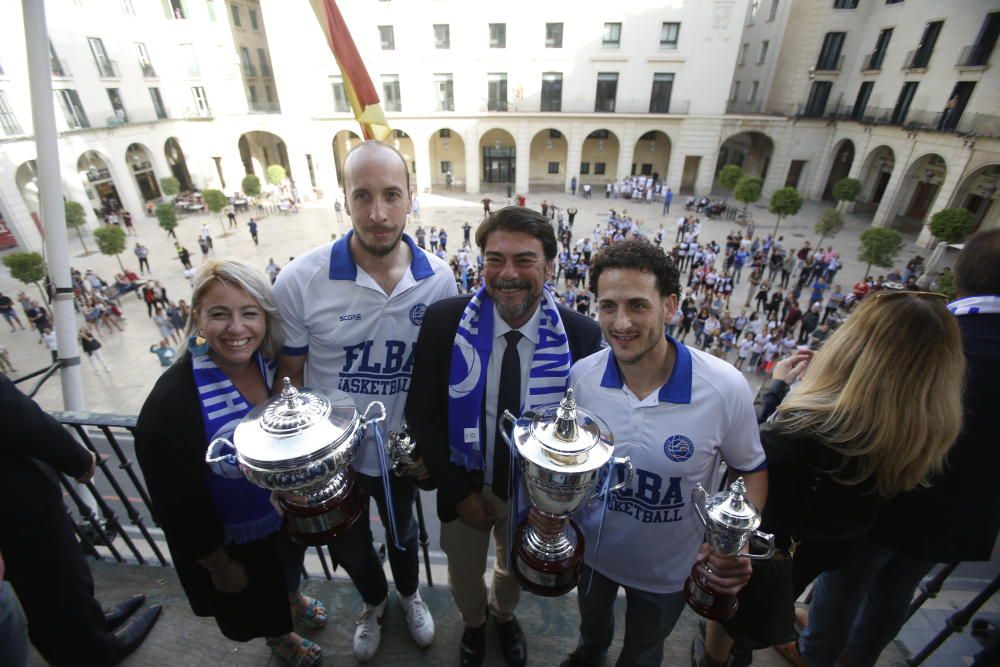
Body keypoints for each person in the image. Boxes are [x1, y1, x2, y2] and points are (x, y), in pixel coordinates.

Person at [699, 290, 966, 667]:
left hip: (770, 549)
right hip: (834, 546)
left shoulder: (807, 427)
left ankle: (714, 658)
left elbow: (746, 457)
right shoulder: (925, 430)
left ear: (855, 348)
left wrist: (774, 390)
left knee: (735, 608)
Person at [273, 140, 457, 661]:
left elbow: (442, 375)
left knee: (405, 532)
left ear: (410, 198)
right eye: (363, 196)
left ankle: (408, 593)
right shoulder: (300, 280)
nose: (378, 213)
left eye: (391, 195)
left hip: (400, 449)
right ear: (344, 200)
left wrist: (429, 443)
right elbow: (288, 379)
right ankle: (373, 603)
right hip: (334, 454)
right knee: (347, 542)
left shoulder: (438, 278)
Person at [792, 230, 1000, 667]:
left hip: (883, 497)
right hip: (957, 516)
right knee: (897, 590)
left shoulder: (925, 336)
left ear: (958, 275)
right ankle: (860, 657)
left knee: (843, 583)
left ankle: (816, 655)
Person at [406, 206, 603, 667]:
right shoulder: (444, 322)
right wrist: (457, 493)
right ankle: (474, 625)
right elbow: (421, 411)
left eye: (524, 260)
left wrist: (553, 500)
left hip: (533, 496)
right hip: (466, 482)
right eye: (495, 259)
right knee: (461, 577)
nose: (507, 274)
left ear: (550, 266)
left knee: (511, 570)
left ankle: (503, 615)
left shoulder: (581, 335)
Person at [553, 239, 763, 667]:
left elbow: (750, 469)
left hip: (669, 571)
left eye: (637, 305)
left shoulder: (724, 387)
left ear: (670, 306)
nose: (621, 322)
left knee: (644, 650)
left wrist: (733, 542)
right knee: (591, 634)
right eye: (608, 306)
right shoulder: (582, 378)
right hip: (593, 553)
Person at [134, 260, 325, 666]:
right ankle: (280, 636)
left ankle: (292, 596)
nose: (237, 329)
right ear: (198, 320)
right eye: (220, 314)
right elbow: (177, 505)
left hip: (279, 516)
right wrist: (218, 564)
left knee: (283, 573)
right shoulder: (170, 406)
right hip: (231, 541)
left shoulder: (268, 362)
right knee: (256, 596)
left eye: (249, 313)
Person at [0, 375, 162, 665]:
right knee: (55, 580)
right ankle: (94, 651)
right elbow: (14, 412)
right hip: (15, 504)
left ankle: (91, 624)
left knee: (42, 585)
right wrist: (76, 458)